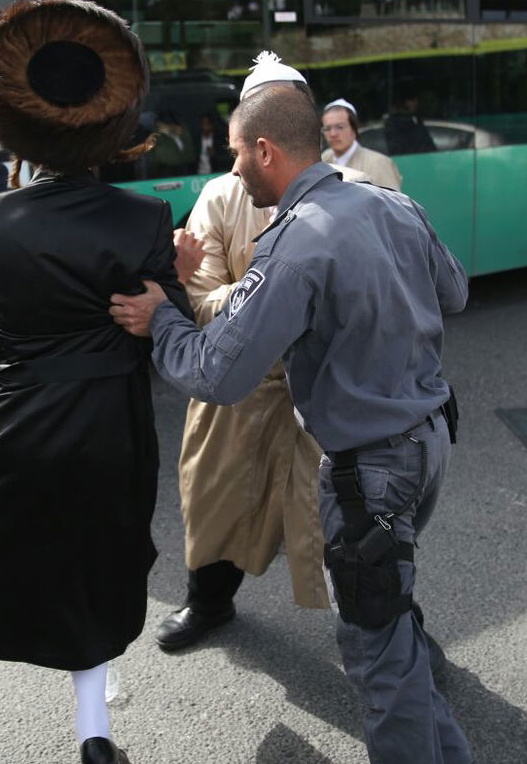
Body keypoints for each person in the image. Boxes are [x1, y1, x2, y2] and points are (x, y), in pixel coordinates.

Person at [109, 78, 471, 764]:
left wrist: (160, 317)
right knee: (392, 634)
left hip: (373, 472)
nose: (234, 168)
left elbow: (218, 372)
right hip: (430, 442)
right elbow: (453, 288)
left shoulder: (295, 241)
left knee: (379, 662)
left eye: (237, 152)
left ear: (266, 149)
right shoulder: (393, 203)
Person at [0, 0, 189, 764]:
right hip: (111, 428)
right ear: (108, 125)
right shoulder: (143, 218)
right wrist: (176, 289)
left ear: (17, 121)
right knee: (93, 566)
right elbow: (175, 327)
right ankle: (95, 738)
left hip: (14, 420)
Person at [155, 58, 369, 652]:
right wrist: (272, 302)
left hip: (324, 388)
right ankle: (209, 602)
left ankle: (387, 625)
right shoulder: (221, 195)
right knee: (216, 495)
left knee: (346, 520)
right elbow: (197, 296)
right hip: (239, 385)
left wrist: (268, 299)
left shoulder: (357, 194)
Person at [320, 98, 402, 190]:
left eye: (340, 127)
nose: (333, 134)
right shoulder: (322, 160)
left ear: (354, 129)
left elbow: (391, 203)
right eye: (327, 129)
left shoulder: (378, 164)